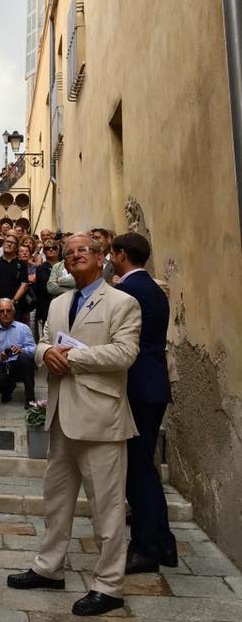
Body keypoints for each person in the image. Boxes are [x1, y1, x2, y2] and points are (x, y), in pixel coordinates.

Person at [7, 233, 141, 617]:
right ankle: (49, 568)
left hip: (100, 418)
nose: (75, 255)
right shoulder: (59, 301)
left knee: (107, 507)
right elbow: (43, 342)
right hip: (61, 415)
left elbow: (125, 352)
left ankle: (109, 585)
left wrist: (72, 358)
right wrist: (46, 351)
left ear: (101, 258)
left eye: (83, 250)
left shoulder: (123, 302)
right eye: (69, 253)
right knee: (56, 499)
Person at [110, 232, 177, 573]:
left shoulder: (125, 292)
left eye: (111, 254)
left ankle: (146, 547)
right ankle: (164, 543)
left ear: (121, 255)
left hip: (138, 388)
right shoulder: (154, 289)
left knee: (137, 471)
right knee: (145, 468)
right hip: (154, 386)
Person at [0, 299, 36, 406]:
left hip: (20, 364)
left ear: (13, 312)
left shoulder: (23, 328)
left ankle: (30, 397)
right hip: (3, 364)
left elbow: (34, 350)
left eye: (8, 311)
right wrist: (0, 356)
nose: (5, 314)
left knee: (26, 359)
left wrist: (21, 350)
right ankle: (6, 390)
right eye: (2, 311)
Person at [0, 234, 28, 321]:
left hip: (15, 308)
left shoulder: (22, 264)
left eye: (12, 243)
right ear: (3, 244)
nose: (9, 244)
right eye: (7, 242)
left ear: (17, 248)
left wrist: (12, 302)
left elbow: (24, 285)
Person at [34, 239, 60, 340]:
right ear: (44, 251)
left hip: (64, 304)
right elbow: (48, 288)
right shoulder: (41, 268)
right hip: (46, 306)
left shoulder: (64, 265)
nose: (51, 250)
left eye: (53, 248)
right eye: (47, 248)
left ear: (58, 250)